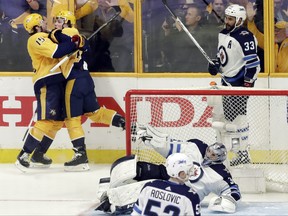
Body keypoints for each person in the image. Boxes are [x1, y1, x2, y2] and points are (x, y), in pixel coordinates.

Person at [95, 124, 241, 214]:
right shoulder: (197, 146)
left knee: (148, 192)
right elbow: (171, 147)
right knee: (135, 167)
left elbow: (233, 190)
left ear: (220, 158)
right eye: (209, 151)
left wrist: (228, 199)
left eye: (214, 155)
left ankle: (117, 206)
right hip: (167, 174)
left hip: (183, 192)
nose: (209, 154)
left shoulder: (220, 174)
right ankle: (110, 184)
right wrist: (153, 142)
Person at [49, 10, 125, 171]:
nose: (56, 23)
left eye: (60, 20)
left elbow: (55, 37)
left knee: (71, 119)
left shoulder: (66, 32)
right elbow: (85, 47)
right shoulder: (80, 36)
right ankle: (124, 122)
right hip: (85, 79)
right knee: (95, 113)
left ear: (68, 22)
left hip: (74, 82)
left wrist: (55, 32)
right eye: (55, 20)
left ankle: (80, 155)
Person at [15, 13, 81, 170]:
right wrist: (73, 44)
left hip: (56, 80)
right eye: (43, 22)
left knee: (57, 122)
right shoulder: (36, 38)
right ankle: (24, 154)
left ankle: (39, 153)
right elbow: (56, 52)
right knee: (45, 121)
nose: (46, 23)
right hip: (46, 81)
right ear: (36, 26)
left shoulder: (46, 36)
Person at [207, 4, 260, 166]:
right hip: (225, 83)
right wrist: (215, 65)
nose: (227, 21)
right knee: (229, 121)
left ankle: (243, 152)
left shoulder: (245, 36)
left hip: (239, 84)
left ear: (239, 20)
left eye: (231, 18)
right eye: (227, 17)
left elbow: (253, 64)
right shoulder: (223, 34)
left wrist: (246, 85)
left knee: (239, 120)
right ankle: (237, 153)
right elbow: (222, 57)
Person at [131, 153, 201, 216]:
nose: (191, 172)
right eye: (189, 169)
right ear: (181, 172)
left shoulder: (149, 186)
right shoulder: (190, 196)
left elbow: (136, 213)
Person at [161, 3, 214, 72]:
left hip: (195, 72)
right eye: (186, 14)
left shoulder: (203, 33)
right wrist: (167, 32)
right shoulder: (178, 32)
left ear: (198, 18)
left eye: (189, 14)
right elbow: (167, 51)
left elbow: (193, 46)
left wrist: (181, 30)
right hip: (177, 71)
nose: (186, 17)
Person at [246, 1, 288, 73]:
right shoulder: (269, 42)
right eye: (274, 30)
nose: (275, 32)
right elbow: (255, 35)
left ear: (286, 32)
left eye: (278, 30)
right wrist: (250, 21)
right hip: (272, 80)